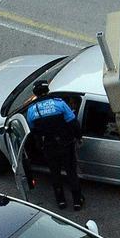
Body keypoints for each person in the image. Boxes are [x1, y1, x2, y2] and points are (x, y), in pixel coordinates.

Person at [25, 80, 84, 210]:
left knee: (55, 174)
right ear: (47, 90)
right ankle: (77, 201)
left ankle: (61, 201)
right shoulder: (59, 103)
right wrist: (79, 137)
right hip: (65, 144)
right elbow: (73, 123)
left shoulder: (31, 110)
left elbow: (33, 131)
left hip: (49, 147)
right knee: (71, 172)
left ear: (35, 93)